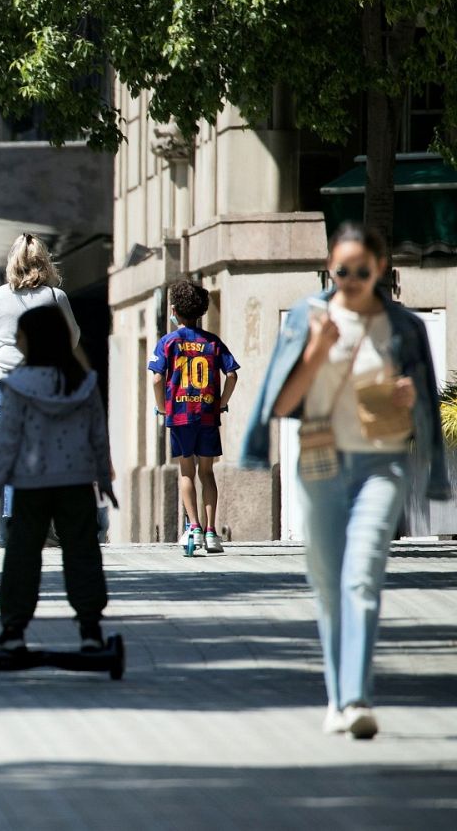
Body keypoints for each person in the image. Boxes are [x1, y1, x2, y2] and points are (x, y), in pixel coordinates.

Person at [241, 223, 449, 741]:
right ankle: (337, 697)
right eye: (342, 270)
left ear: (380, 268)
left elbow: (425, 402)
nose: (352, 279)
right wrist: (315, 353)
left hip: (384, 464)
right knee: (329, 586)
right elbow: (280, 405)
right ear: (329, 268)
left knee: (362, 576)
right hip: (320, 463)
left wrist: (408, 401)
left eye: (362, 270)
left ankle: (356, 698)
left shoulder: (402, 327)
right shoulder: (308, 318)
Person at [0, 305, 115, 655]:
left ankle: (13, 629)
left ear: (35, 340)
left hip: (31, 485)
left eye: (21, 336)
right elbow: (97, 434)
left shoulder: (17, 386)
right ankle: (90, 628)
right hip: (76, 482)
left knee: (23, 556)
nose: (18, 342)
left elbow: (8, 440)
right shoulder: (84, 384)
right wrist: (104, 478)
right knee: (82, 552)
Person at [0, 234, 84, 514]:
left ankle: (12, 521)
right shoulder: (56, 296)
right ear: (44, 262)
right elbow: (73, 336)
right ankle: (41, 518)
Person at [148, 278, 240, 554]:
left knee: (186, 473)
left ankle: (195, 529)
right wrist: (221, 403)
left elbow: (156, 380)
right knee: (207, 472)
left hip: (179, 416)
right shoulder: (213, 342)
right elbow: (232, 374)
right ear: (201, 312)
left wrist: (163, 406)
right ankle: (212, 532)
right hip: (208, 416)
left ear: (173, 311)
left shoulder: (168, 342)